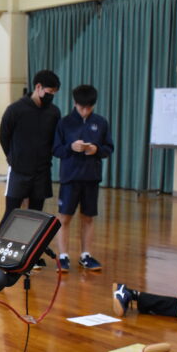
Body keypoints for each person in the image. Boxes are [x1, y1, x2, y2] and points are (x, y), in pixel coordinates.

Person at [0, 70, 61, 266]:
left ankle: (31, 255)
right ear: (38, 87)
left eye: (54, 93)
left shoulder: (53, 112)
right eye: (49, 92)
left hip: (41, 171)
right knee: (11, 213)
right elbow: (3, 136)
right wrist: (13, 158)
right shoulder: (15, 110)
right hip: (19, 171)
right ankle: (2, 252)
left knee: (36, 216)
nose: (51, 96)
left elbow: (54, 140)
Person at [52, 84, 114, 272]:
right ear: (75, 103)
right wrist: (71, 147)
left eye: (89, 107)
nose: (85, 111)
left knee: (88, 218)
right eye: (81, 107)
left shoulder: (101, 122)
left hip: (91, 178)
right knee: (64, 218)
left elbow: (109, 148)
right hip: (70, 178)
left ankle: (86, 255)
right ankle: (63, 256)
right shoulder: (64, 123)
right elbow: (56, 149)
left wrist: (96, 149)